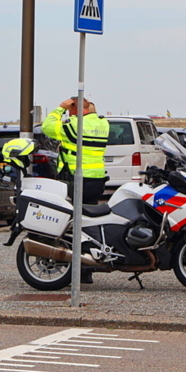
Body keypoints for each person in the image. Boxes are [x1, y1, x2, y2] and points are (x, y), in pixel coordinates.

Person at [41, 98, 109, 285]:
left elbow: (47, 127)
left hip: (77, 180)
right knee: (89, 224)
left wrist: (59, 109)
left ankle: (78, 269)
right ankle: (86, 271)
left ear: (74, 109)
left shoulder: (74, 124)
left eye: (70, 110)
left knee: (72, 225)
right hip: (97, 179)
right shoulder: (102, 124)